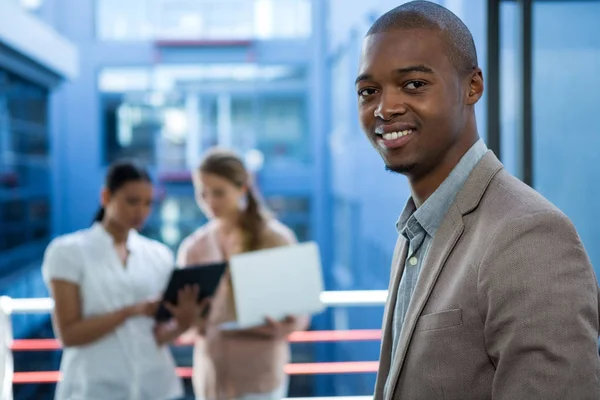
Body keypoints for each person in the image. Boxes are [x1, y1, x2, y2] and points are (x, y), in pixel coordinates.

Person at [355, 1, 600, 399]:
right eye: (369, 91)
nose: (385, 108)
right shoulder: (416, 229)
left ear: (473, 86)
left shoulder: (530, 234)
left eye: (414, 84)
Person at [42, 160, 203, 400]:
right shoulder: (67, 252)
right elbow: (69, 334)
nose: (141, 211)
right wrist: (130, 311)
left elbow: (159, 335)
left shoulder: (158, 255)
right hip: (94, 389)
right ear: (106, 197)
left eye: (148, 203)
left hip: (156, 386)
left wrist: (183, 323)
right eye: (132, 201)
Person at [177, 148, 309, 400]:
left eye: (218, 193)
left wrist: (282, 324)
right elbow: (186, 325)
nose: (209, 202)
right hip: (211, 377)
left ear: (242, 189)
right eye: (202, 193)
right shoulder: (194, 247)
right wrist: (187, 319)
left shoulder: (276, 239)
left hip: (259, 376)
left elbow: (300, 315)